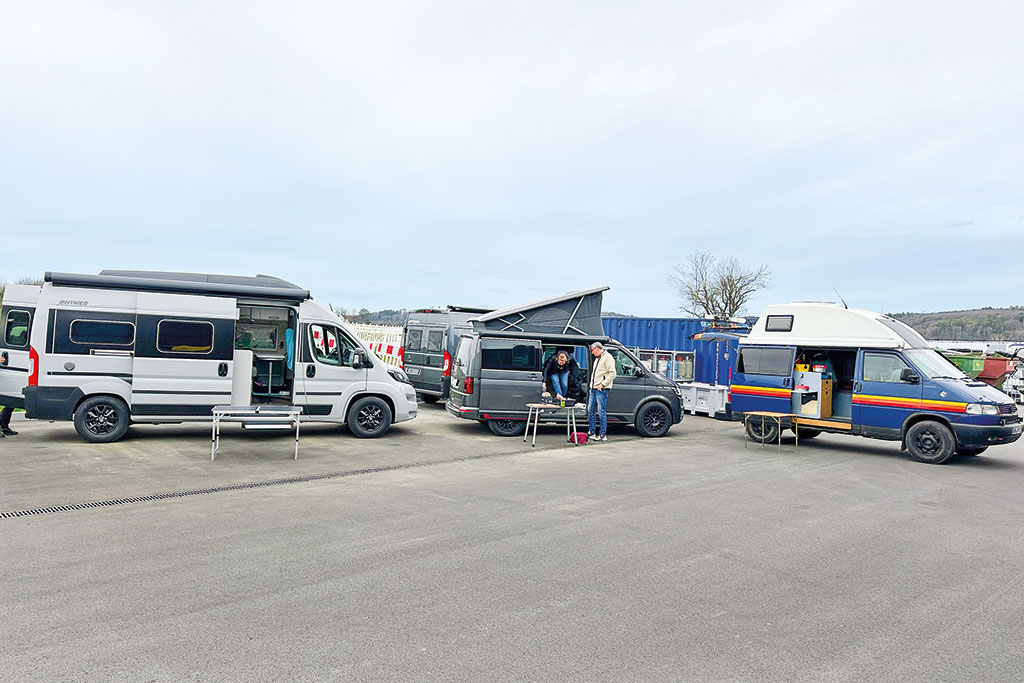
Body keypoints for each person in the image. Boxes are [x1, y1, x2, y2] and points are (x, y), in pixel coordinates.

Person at [587, 341, 617, 442]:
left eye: (593, 350)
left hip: (601, 389)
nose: (592, 352)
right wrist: (591, 386)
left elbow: (613, 373)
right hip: (593, 388)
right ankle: (591, 432)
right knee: (590, 410)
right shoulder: (598, 358)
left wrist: (603, 384)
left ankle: (602, 434)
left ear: (597, 349)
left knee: (601, 411)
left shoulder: (608, 357)